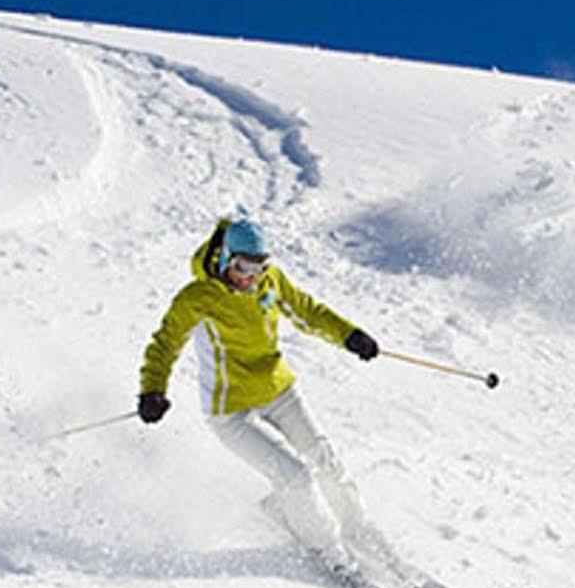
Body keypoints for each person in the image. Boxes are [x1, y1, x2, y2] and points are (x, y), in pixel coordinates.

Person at [137, 216, 388, 566]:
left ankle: (358, 531)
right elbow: (165, 344)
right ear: (225, 259)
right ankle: (329, 551)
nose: (250, 277)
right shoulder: (198, 298)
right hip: (230, 411)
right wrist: (152, 390)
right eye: (242, 268)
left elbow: (306, 311)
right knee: (296, 477)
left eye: (258, 268)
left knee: (325, 460)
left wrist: (349, 335)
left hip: (278, 391)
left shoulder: (268, 281)